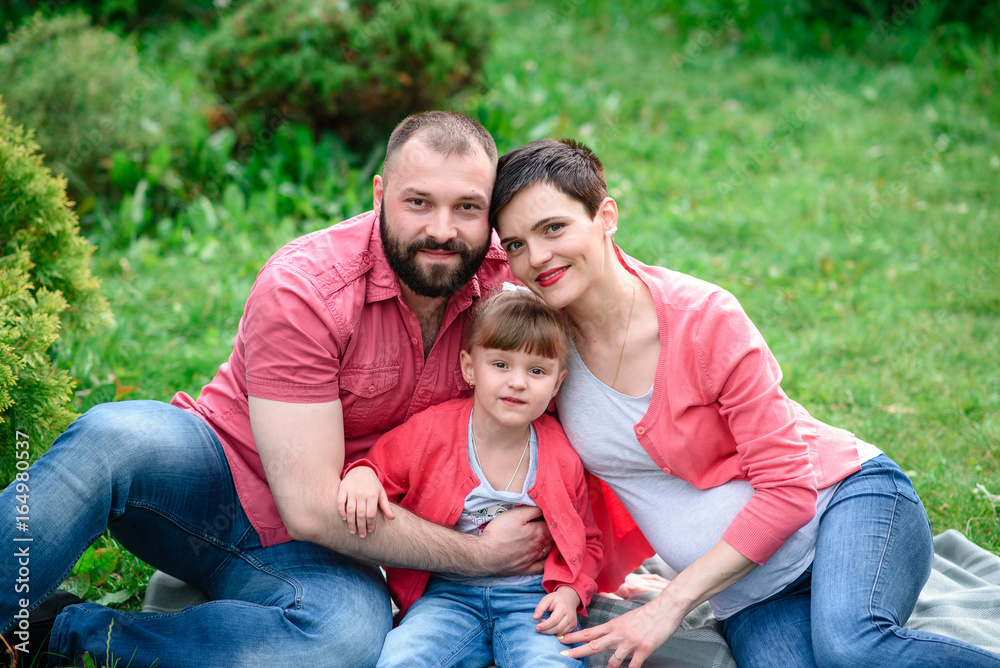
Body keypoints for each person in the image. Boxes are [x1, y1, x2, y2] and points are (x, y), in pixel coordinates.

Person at [0, 111, 554, 668]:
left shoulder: (511, 288)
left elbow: (603, 279)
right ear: (381, 194)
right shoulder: (308, 286)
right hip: (211, 480)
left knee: (345, 639)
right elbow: (311, 505)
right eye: (418, 203)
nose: (441, 229)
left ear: (492, 212)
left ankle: (57, 636)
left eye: (467, 208)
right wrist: (479, 556)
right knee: (113, 437)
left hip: (329, 548)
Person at [489, 138, 1000, 668]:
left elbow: (789, 490)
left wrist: (673, 599)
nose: (538, 257)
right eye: (517, 244)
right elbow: (447, 255)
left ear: (606, 216)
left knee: (851, 648)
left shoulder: (705, 319)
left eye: (554, 228)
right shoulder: (538, 342)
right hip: (750, 592)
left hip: (845, 508)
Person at [338, 288, 602, 667]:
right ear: (468, 368)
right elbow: (379, 469)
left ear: (557, 384)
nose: (517, 382)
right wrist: (362, 475)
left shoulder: (560, 452)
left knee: (552, 661)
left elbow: (586, 539)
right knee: (405, 657)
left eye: (537, 371)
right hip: (448, 594)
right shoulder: (432, 432)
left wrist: (572, 593)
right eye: (500, 365)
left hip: (532, 598)